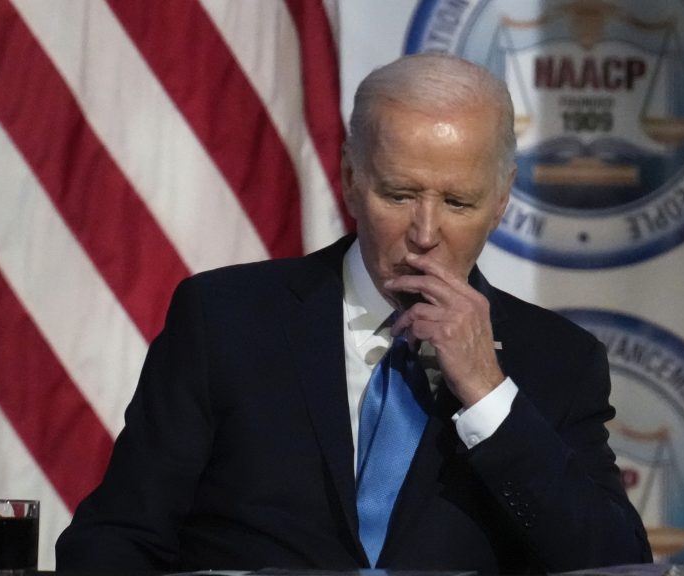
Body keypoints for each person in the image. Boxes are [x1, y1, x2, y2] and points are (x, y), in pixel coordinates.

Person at [56, 53, 651, 573]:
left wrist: (490, 396)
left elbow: (613, 565)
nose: (424, 233)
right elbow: (117, 539)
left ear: (499, 204)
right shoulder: (225, 322)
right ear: (349, 179)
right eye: (398, 194)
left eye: (458, 202)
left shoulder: (558, 362)